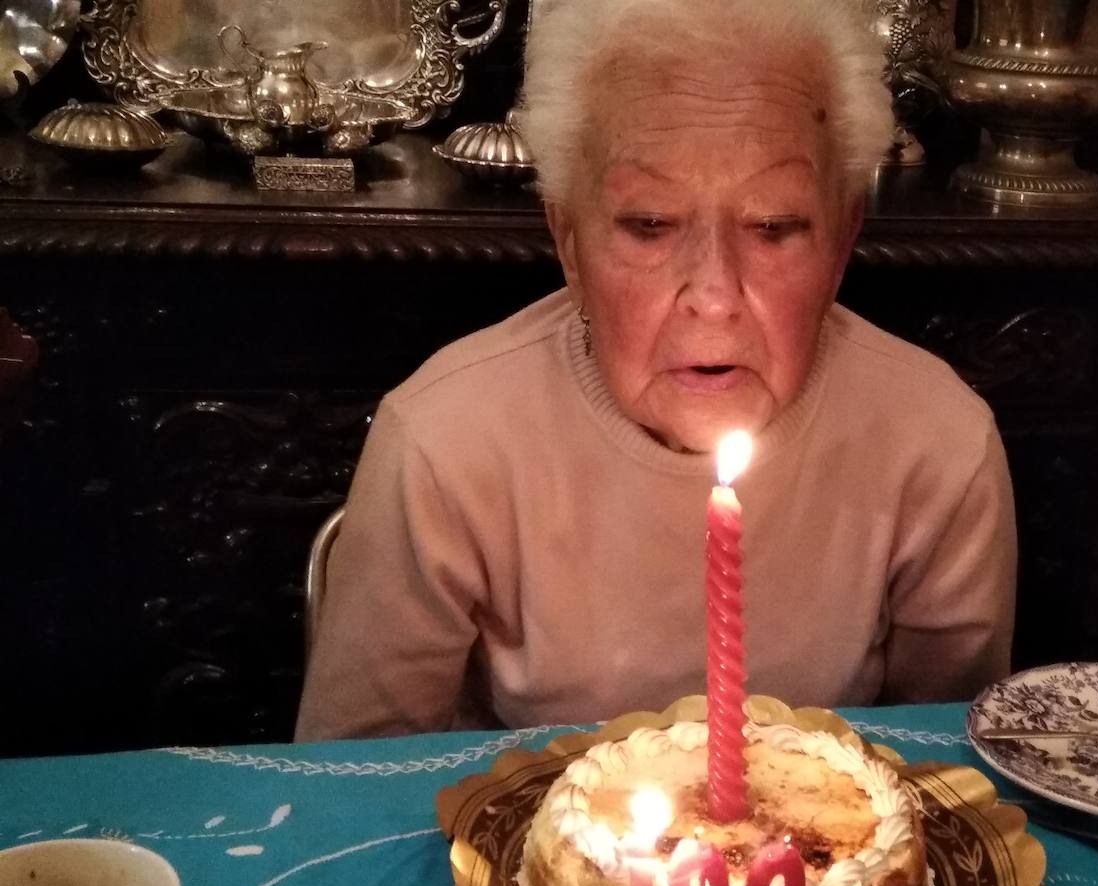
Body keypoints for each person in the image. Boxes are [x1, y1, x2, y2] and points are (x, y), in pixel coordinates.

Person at [294, 0, 1016, 740]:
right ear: (568, 238)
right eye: (648, 224)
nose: (713, 297)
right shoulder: (441, 444)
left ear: (841, 240)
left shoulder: (939, 446)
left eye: (773, 226)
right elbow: (349, 793)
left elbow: (941, 779)